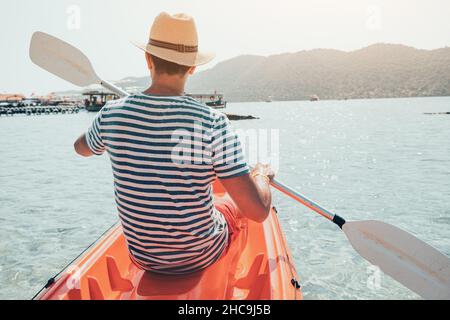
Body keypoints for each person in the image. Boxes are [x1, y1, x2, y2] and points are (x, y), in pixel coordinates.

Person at [73, 12, 275, 275]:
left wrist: (104, 129)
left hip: (142, 258)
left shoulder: (111, 114)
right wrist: (262, 175)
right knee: (233, 207)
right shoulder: (212, 121)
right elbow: (258, 212)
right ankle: (230, 271)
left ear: (148, 59)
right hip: (202, 256)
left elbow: (81, 148)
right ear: (192, 67)